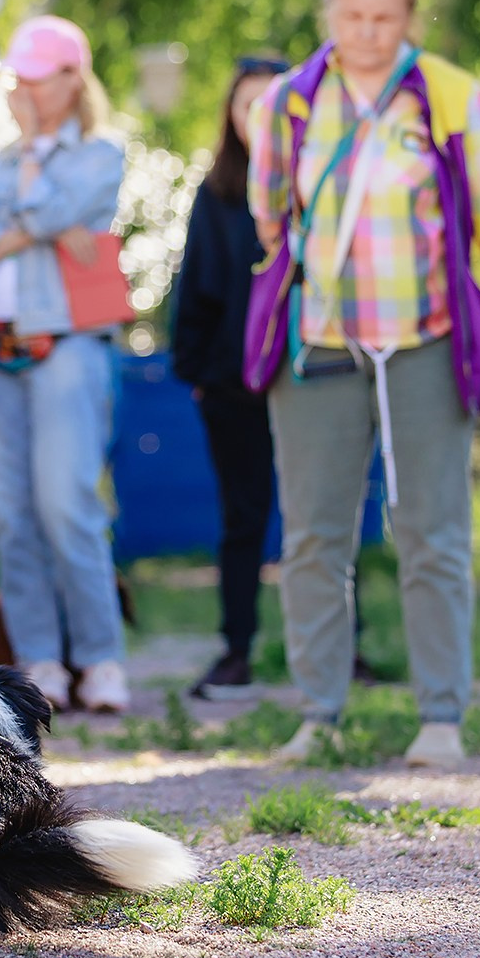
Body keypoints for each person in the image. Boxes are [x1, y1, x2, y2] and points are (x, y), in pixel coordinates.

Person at [246, 0, 480, 769]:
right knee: (313, 537)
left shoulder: (448, 94)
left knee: (432, 530)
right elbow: (267, 216)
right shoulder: (288, 103)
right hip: (319, 344)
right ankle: (319, 712)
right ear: (328, 10)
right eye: (352, 15)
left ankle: (441, 716)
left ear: (410, 16)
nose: (367, 32)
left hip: (425, 341)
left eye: (385, 18)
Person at [0, 15, 131, 714]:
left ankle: (102, 657)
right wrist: (36, 226)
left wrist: (26, 191)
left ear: (71, 78)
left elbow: (58, 205)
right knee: (15, 511)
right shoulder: (2, 161)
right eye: (16, 74)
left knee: (67, 502)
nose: (21, 86)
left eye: (36, 74)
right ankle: (41, 660)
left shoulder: (100, 154)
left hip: (65, 341)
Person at [171, 56, 290, 702]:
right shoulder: (216, 191)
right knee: (243, 518)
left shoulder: (318, 184)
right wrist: (193, 367)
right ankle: (236, 648)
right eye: (247, 104)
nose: (259, 117)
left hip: (309, 374)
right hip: (232, 382)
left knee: (315, 519)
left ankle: (336, 648)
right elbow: (196, 286)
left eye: (271, 102)